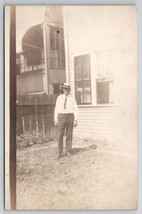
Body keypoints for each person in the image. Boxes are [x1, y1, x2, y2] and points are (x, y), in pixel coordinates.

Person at [54, 83, 78, 159]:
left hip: (70, 117)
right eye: (65, 89)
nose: (66, 90)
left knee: (69, 134)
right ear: (63, 90)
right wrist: (55, 119)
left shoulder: (72, 98)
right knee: (60, 135)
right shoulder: (59, 98)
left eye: (68, 89)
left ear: (69, 90)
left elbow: (76, 109)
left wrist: (76, 120)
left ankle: (68, 151)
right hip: (61, 117)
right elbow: (56, 109)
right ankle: (59, 152)